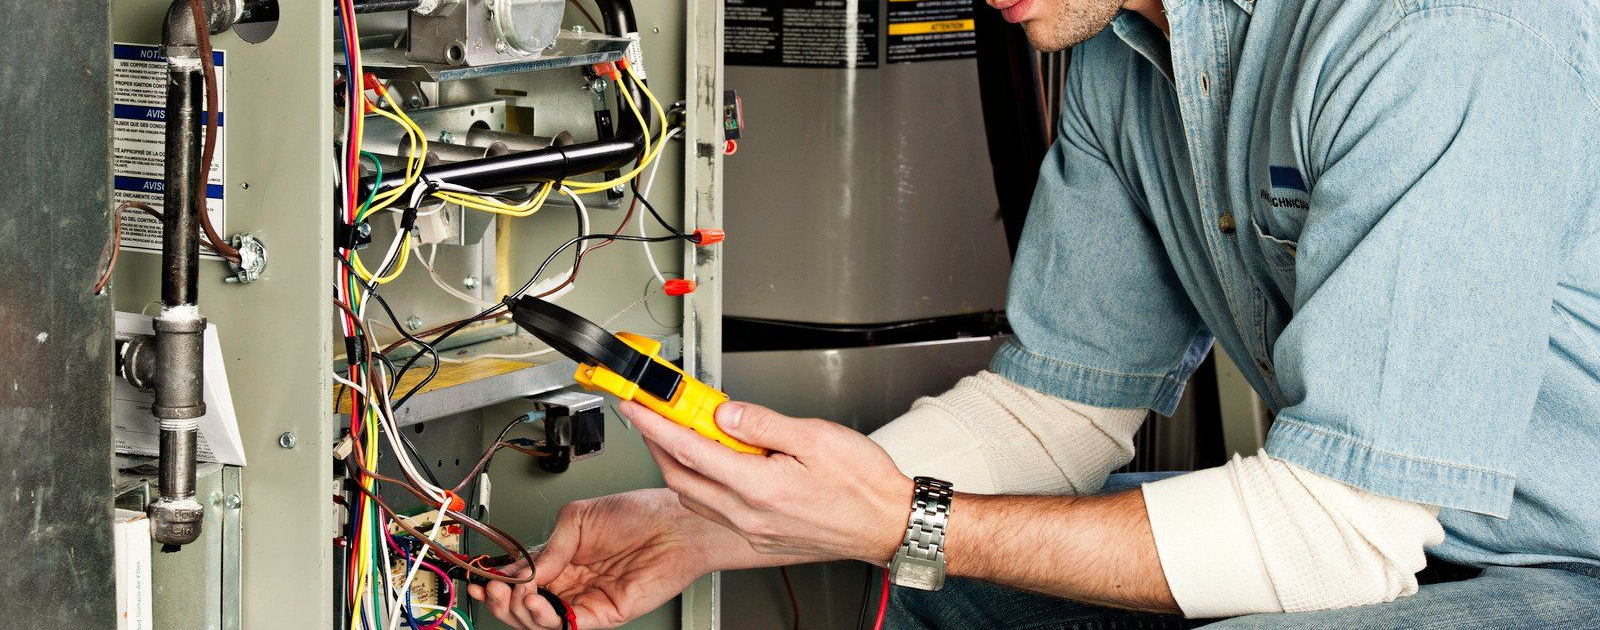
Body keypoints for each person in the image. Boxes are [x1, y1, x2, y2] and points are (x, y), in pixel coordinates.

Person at [470, 0, 1600, 627]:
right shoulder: (1122, 51)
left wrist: (898, 519)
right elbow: (1056, 411)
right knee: (931, 600)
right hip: (1417, 537)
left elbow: (1344, 536)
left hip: (1565, 563)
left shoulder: (1436, 32)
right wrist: (711, 525)